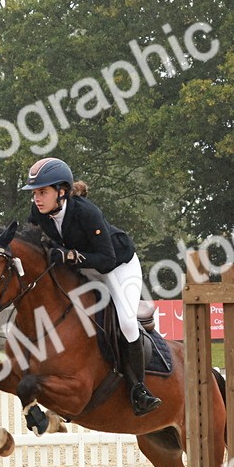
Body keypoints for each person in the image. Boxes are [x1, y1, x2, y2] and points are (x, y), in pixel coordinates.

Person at [21, 157, 162, 416]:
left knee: (128, 322)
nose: (37, 199)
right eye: (34, 193)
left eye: (43, 192)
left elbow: (106, 260)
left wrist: (70, 256)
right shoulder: (38, 213)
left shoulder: (86, 212)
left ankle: (139, 389)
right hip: (87, 267)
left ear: (61, 192)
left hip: (118, 266)